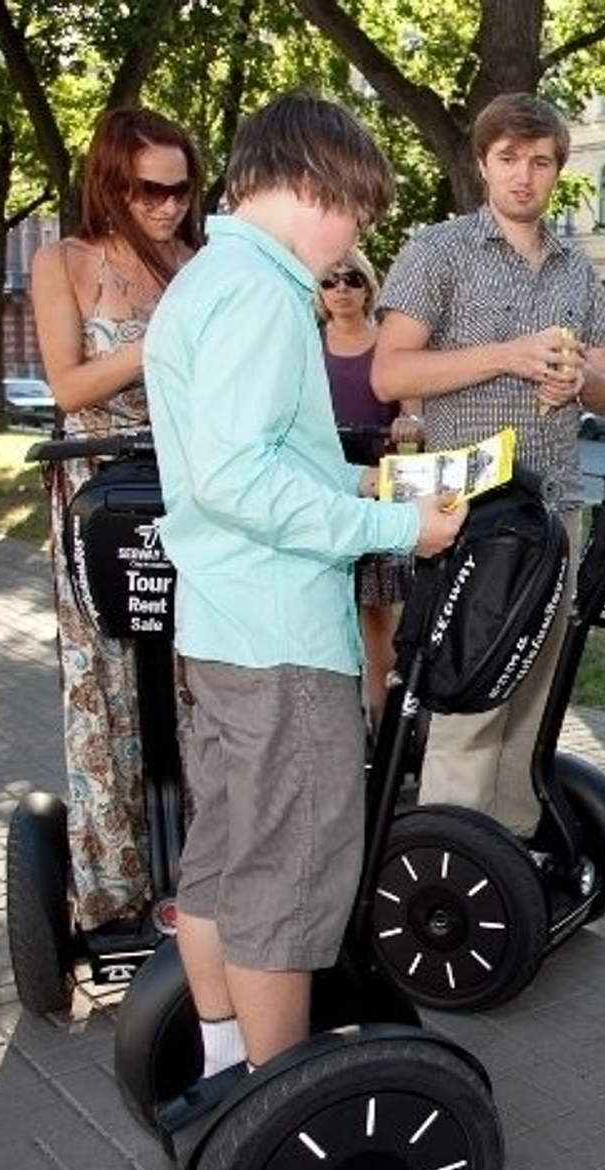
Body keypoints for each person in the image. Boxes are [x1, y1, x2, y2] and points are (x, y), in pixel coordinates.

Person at [143, 92, 465, 1073]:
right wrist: (394, 525)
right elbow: (238, 479)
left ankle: (220, 1063)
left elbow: (260, 453)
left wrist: (358, 480)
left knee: (225, 863)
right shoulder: (262, 291)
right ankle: (273, 1103)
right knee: (285, 883)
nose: (355, 238)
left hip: (223, 626)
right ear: (312, 187)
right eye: (358, 213)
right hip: (282, 637)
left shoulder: (209, 278)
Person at [372, 93, 605, 838]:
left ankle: (508, 859)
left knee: (532, 699)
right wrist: (509, 357)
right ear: (482, 163)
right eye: (508, 159)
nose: (523, 176)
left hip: (556, 511)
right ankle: (445, 862)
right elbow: (390, 374)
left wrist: (579, 380)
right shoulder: (436, 252)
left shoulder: (576, 264)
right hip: (469, 514)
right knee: (468, 698)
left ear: (557, 170)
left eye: (539, 162)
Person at [28, 106, 204, 933]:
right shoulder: (64, 261)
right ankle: (118, 883)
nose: (168, 206)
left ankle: (202, 875)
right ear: (111, 181)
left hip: (186, 491)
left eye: (181, 189)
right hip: (97, 495)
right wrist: (165, 336)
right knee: (108, 680)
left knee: (193, 679)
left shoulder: (194, 261)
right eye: (149, 191)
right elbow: (68, 388)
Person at [317, 247, 420, 726]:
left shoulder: (389, 349)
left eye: (352, 280)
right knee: (323, 612)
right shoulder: (306, 346)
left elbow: (413, 415)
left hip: (376, 492)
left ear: (368, 287)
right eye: (330, 281)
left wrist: (408, 427)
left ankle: (380, 724)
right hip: (320, 493)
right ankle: (334, 722)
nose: (341, 290)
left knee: (376, 614)